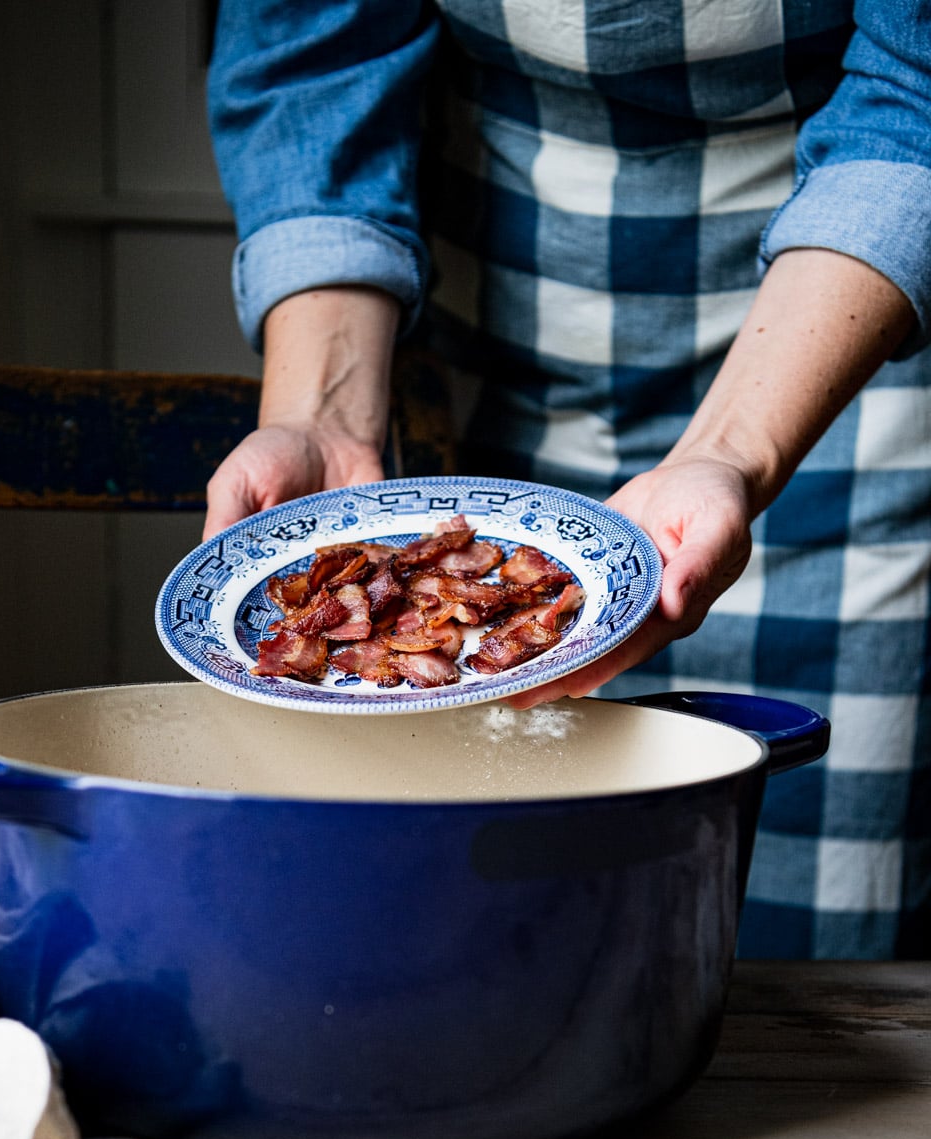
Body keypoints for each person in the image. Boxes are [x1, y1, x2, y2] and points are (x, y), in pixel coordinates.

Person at [203, 1, 931, 959]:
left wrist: (729, 451)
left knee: (803, 924)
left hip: (841, 327)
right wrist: (321, 417)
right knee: (473, 909)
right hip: (500, 290)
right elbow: (313, 59)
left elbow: (912, 89)